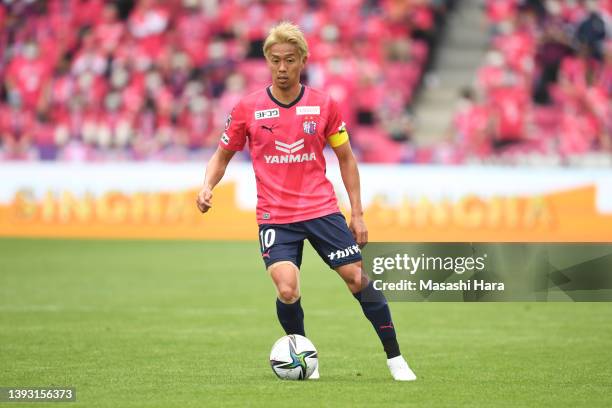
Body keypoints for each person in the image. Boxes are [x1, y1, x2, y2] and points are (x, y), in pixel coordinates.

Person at [196, 22, 416, 381]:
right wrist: (207, 186)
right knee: (287, 288)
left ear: (302, 61)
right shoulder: (247, 108)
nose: (282, 68)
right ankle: (302, 357)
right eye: (275, 60)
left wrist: (356, 214)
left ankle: (396, 359)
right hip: (275, 216)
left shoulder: (323, 105)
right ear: (267, 61)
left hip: (321, 209)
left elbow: (346, 159)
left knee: (357, 278)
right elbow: (221, 155)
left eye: (290, 60)